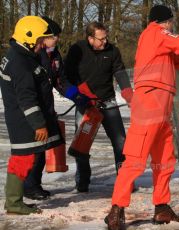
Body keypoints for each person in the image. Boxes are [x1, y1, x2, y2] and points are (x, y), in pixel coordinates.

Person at [104, 5, 179, 229]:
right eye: (171, 22)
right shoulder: (155, 33)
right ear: (165, 21)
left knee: (165, 160)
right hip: (149, 103)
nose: (172, 25)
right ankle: (116, 210)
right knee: (135, 160)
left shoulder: (162, 46)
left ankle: (161, 207)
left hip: (161, 106)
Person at [0, 16, 64, 214]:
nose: (42, 44)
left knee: (26, 158)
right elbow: (26, 98)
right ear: (28, 38)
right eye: (39, 40)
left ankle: (15, 199)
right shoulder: (20, 62)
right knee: (23, 159)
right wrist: (38, 124)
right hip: (24, 120)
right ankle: (13, 202)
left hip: (24, 118)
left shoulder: (22, 54)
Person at [64, 22, 133, 193]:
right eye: (101, 39)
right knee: (81, 145)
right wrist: (77, 95)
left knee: (121, 142)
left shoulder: (112, 51)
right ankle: (83, 179)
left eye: (106, 37)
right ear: (90, 38)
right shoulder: (77, 50)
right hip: (85, 104)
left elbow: (120, 72)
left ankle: (124, 180)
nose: (105, 41)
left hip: (108, 102)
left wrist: (127, 91)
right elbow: (66, 76)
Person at [23, 16, 64, 200]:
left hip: (47, 108)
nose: (56, 39)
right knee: (34, 150)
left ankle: (35, 184)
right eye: (54, 35)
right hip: (34, 109)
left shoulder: (55, 55)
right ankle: (29, 186)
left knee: (43, 147)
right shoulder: (33, 54)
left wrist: (78, 96)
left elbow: (60, 80)